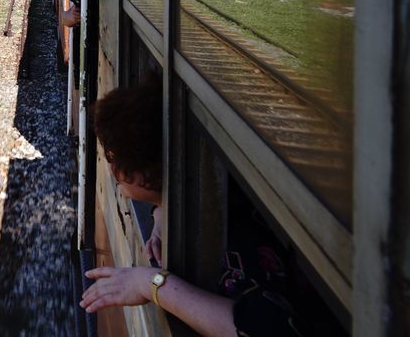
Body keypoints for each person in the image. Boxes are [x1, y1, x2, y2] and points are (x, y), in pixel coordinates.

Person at [81, 80, 319, 336]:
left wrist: (150, 283)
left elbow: (268, 329)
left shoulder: (238, 237)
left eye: (114, 157)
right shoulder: (221, 191)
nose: (111, 168)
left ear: (147, 171)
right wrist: (160, 209)